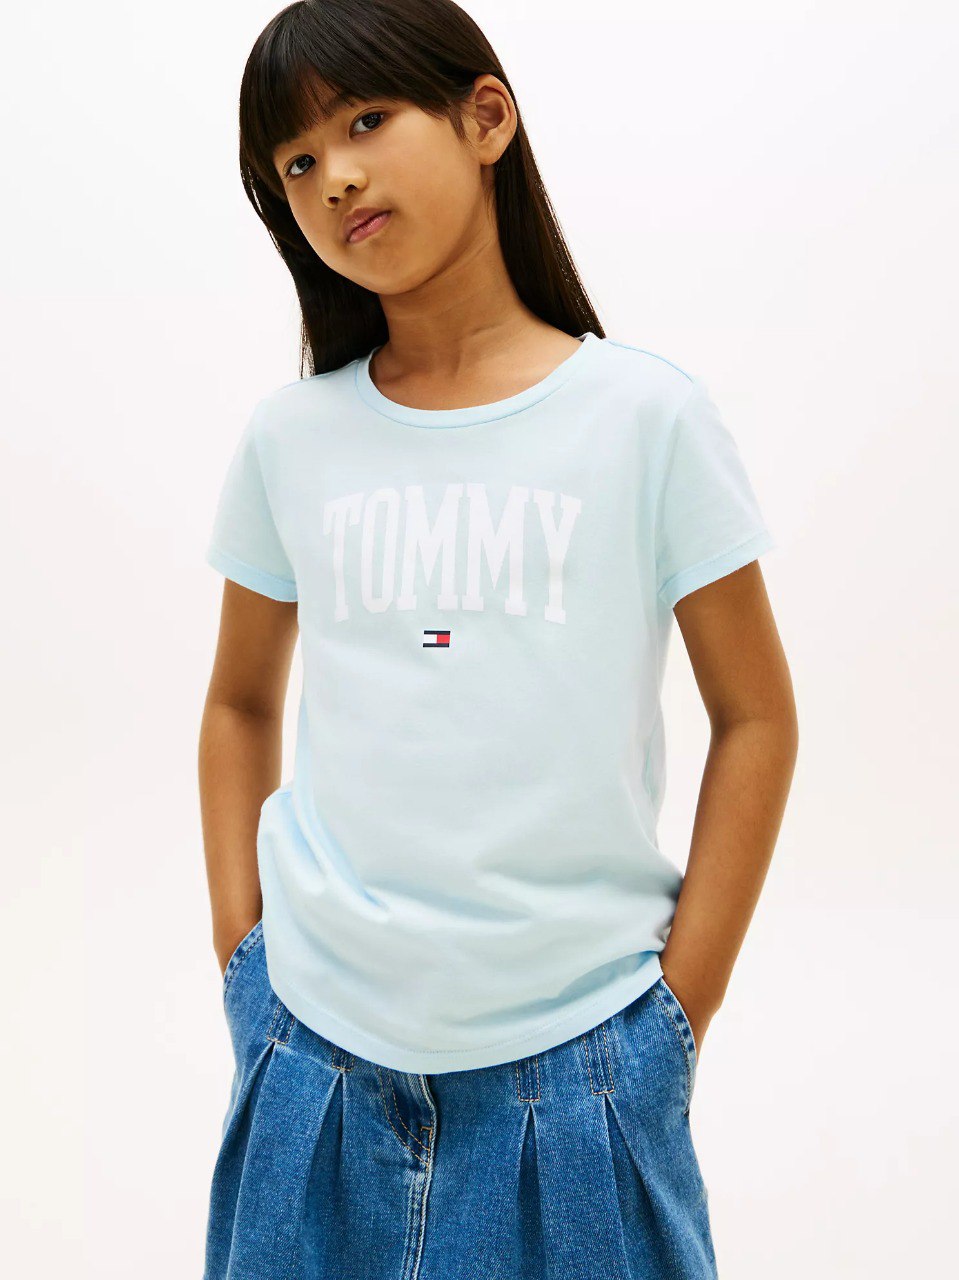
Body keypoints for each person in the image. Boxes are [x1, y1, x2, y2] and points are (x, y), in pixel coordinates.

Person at [198, 1, 799, 1276]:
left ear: (485, 118)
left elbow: (755, 716)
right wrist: (245, 959)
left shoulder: (643, 418)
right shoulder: (290, 439)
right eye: (295, 161)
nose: (333, 176)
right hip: (310, 1063)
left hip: (581, 1075)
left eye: (366, 121)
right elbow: (238, 702)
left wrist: (671, 1020)